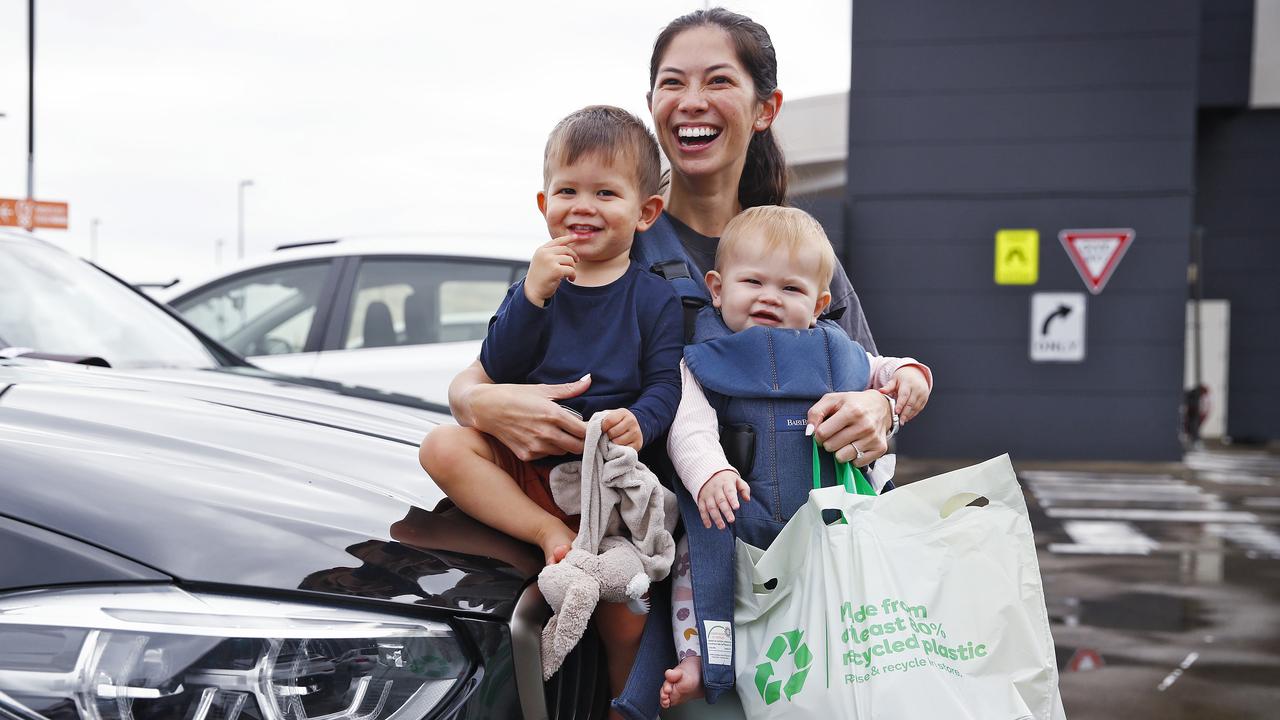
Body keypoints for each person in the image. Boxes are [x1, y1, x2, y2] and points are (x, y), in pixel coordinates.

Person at [445, 8, 902, 716]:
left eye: (718, 81)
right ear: (654, 106)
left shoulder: (796, 251)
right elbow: (483, 375)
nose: (691, 100)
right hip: (640, 546)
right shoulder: (608, 240)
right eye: (671, 83)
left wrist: (885, 408)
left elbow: (870, 379)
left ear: (764, 108)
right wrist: (475, 402)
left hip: (782, 565)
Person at [419, 105, 683, 719]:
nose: (582, 206)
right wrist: (532, 295)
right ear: (543, 203)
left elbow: (666, 385)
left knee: (624, 619)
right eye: (567, 190)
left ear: (645, 212)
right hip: (530, 466)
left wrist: (639, 421)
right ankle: (550, 538)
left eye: (605, 192)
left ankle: (623, 708)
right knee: (441, 445)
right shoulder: (534, 286)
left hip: (605, 485)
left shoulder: (654, 298)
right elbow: (499, 363)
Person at [659, 205, 933, 708]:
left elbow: (885, 369)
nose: (770, 297)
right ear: (716, 289)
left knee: (845, 588)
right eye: (753, 282)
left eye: (791, 289)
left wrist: (911, 376)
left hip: (825, 526)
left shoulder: (837, 353)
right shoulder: (700, 360)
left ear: (820, 303)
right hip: (737, 515)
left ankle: (855, 656)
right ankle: (700, 654)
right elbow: (688, 425)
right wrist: (711, 472)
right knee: (693, 570)